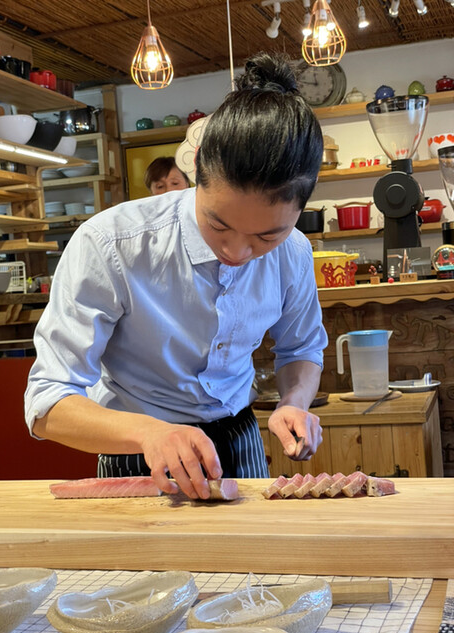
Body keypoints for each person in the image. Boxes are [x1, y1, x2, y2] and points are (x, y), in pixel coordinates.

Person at [25, 51, 327, 501]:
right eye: (219, 225)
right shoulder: (111, 244)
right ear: (196, 168)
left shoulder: (295, 252)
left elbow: (300, 348)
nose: (237, 252)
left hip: (240, 439)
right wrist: (150, 433)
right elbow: (48, 401)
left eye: (266, 236)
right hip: (137, 450)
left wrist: (293, 403)